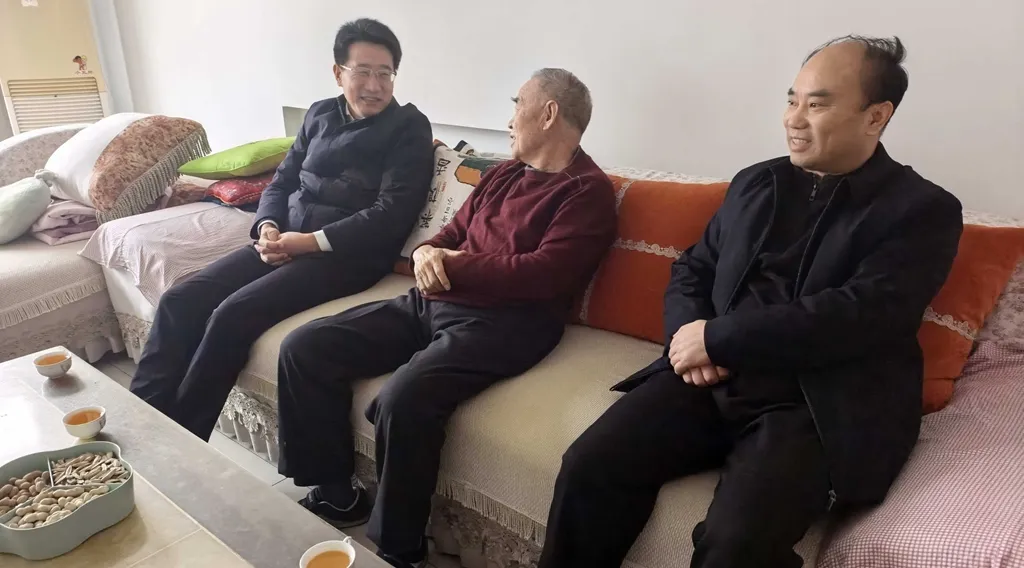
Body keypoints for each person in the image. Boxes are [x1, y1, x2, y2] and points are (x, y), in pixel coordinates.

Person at [538, 36, 964, 568]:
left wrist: (718, 338)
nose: (794, 119)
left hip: (815, 402)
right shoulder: (756, 182)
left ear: (876, 115)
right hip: (713, 376)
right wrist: (687, 338)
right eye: (792, 100)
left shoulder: (923, 210)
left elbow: (865, 313)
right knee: (590, 465)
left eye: (817, 104)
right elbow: (694, 267)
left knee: (735, 543)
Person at [275, 68, 617, 568]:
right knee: (306, 346)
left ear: (548, 114)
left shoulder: (587, 192)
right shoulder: (503, 173)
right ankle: (337, 494)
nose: (509, 119)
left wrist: (450, 264)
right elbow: (449, 234)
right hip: (433, 300)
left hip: (507, 323)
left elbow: (543, 274)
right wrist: (425, 254)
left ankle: (400, 550)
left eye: (517, 104)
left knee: (404, 398)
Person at [129, 18, 433, 440]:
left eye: (386, 74)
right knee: (180, 300)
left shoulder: (409, 127)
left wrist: (308, 242)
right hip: (282, 240)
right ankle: (141, 425)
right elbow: (282, 180)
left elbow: (391, 213)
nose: (375, 85)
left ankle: (181, 444)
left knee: (231, 315)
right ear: (338, 72)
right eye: (363, 71)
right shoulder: (320, 113)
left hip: (346, 256)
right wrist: (268, 227)